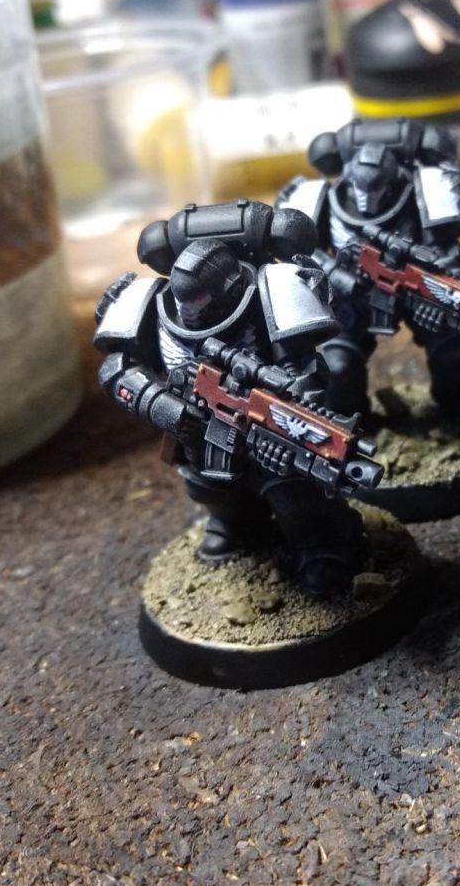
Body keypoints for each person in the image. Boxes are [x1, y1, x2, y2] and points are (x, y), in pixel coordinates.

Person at [93, 200, 366, 598]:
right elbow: (116, 369)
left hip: (259, 416)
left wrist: (289, 414)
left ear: (230, 289)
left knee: (292, 489)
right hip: (193, 424)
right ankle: (236, 525)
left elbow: (302, 370)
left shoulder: (274, 289)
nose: (190, 313)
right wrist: (158, 403)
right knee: (205, 484)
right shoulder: (151, 300)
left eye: (199, 303)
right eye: (184, 303)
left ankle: (324, 548)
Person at [276, 118, 460, 420]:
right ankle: (348, 423)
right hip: (352, 295)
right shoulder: (321, 197)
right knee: (339, 368)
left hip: (411, 291)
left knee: (454, 354)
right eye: (359, 189)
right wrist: (334, 273)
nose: (365, 199)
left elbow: (443, 253)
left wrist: (438, 296)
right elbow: (297, 251)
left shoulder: (422, 191)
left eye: (375, 190)